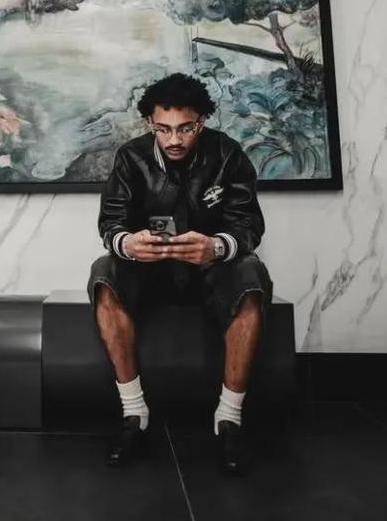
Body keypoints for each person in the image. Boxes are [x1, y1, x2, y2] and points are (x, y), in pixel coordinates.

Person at [87, 72, 273, 476]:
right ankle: (134, 413)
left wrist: (216, 246)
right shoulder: (131, 157)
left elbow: (248, 224)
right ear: (149, 123)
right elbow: (111, 223)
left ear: (201, 121)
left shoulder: (228, 154)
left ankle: (229, 418)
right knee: (104, 271)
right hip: (150, 273)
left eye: (186, 128)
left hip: (211, 272)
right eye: (163, 129)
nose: (174, 139)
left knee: (252, 274)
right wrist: (128, 244)